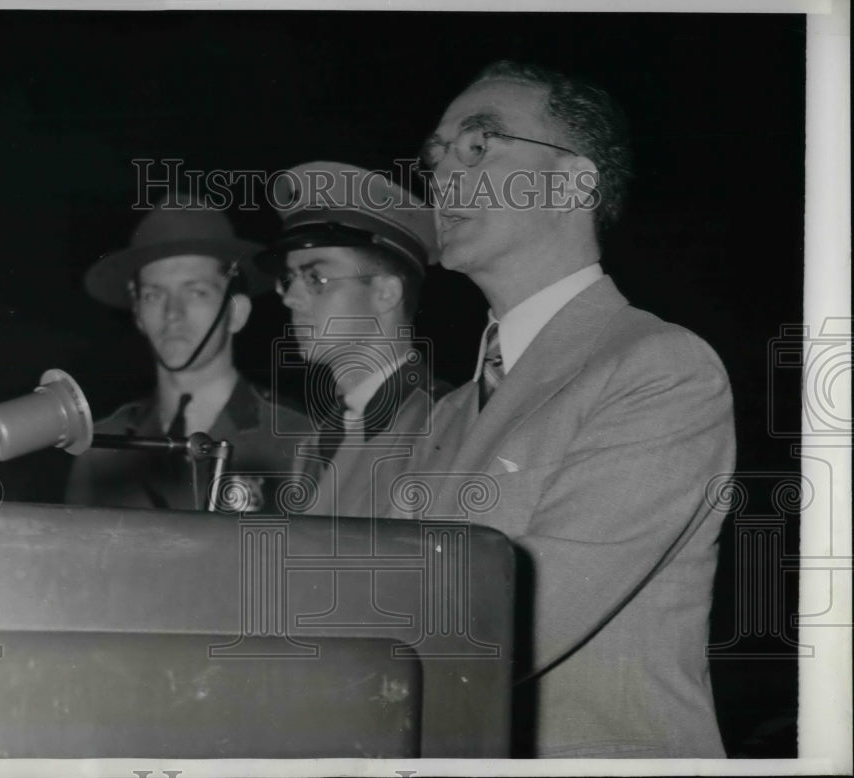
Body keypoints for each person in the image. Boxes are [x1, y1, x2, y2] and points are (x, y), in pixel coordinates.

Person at [398, 61, 735, 757]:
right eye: (436, 155)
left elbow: (510, 623)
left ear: (574, 182)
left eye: (479, 146)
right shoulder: (450, 414)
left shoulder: (659, 369)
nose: (441, 174)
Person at [65, 203, 307, 512]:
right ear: (138, 313)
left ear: (237, 312)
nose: (172, 314)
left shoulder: (297, 441)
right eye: (154, 295)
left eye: (196, 292)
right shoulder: (100, 447)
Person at [255, 160, 450, 520]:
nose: (290, 298)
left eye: (316, 277)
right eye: (290, 278)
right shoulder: (320, 440)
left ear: (386, 292)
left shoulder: (443, 426)